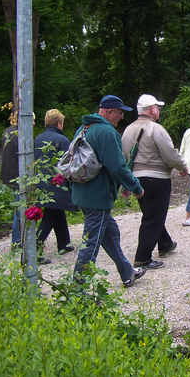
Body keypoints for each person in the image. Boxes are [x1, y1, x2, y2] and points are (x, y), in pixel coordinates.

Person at [71, 95, 146, 288]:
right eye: (120, 113)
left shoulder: (84, 129)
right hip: (98, 197)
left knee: (110, 233)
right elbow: (118, 167)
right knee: (91, 243)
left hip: (82, 193)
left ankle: (127, 272)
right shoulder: (106, 132)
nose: (121, 117)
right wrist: (136, 187)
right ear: (109, 112)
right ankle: (79, 290)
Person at [122, 94, 188, 269]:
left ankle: (165, 243)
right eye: (157, 107)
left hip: (137, 179)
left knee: (151, 214)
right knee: (153, 218)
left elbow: (125, 156)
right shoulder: (155, 129)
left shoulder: (128, 130)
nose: (158, 110)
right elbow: (170, 154)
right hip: (157, 179)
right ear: (152, 109)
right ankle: (142, 258)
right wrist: (182, 167)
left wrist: (126, 182)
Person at [34, 109, 76, 258]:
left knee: (57, 211)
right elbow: (67, 163)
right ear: (59, 123)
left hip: (41, 182)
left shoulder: (37, 139)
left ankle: (63, 243)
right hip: (57, 183)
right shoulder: (62, 140)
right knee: (51, 214)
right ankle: (35, 249)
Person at [0, 111, 22, 249]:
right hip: (18, 174)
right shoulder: (20, 134)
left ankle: (18, 238)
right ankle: (17, 240)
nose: (33, 123)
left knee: (18, 206)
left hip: (8, 173)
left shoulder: (7, 131)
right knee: (20, 207)